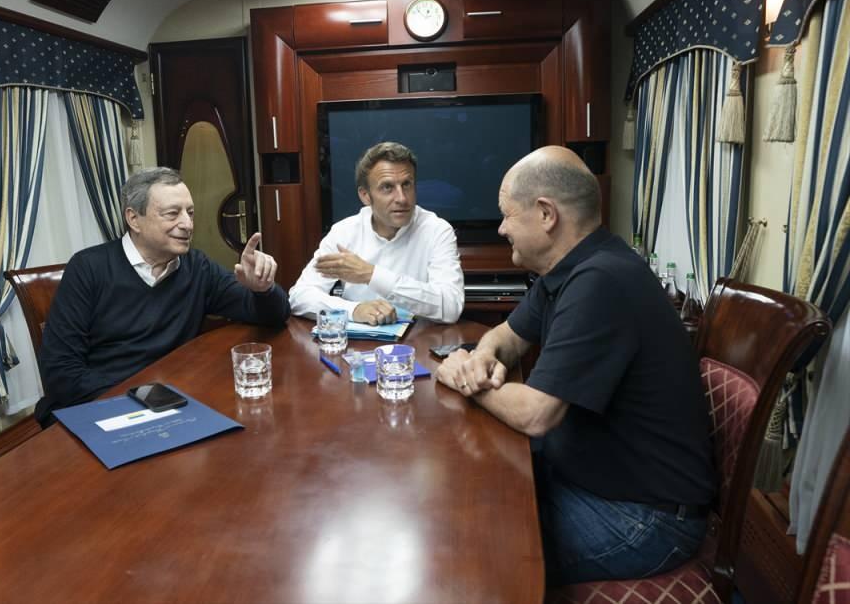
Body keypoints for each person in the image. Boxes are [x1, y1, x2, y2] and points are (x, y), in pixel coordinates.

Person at [435, 146, 715, 585]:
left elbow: (536, 414)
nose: (501, 228)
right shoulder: (570, 268)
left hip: (644, 519)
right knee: (460, 496)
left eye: (508, 215)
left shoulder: (601, 281)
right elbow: (506, 335)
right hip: (590, 478)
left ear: (546, 214)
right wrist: (482, 358)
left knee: (473, 552)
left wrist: (465, 379)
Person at [35, 167, 290, 427]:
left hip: (172, 404)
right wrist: (144, 398)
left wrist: (263, 288)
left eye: (190, 212)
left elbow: (275, 316)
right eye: (172, 214)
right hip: (101, 407)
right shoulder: (88, 268)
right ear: (134, 219)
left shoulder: (196, 267)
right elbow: (60, 371)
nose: (187, 224)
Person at [289, 141, 464, 325]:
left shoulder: (437, 230)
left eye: (406, 184)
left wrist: (371, 275)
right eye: (387, 187)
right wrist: (354, 310)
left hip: (421, 340)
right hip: (357, 342)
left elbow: (450, 306)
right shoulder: (344, 233)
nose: (402, 198)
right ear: (365, 195)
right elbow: (300, 296)